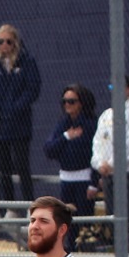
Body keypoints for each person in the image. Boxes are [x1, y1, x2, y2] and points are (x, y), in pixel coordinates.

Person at [0, 25, 41, 205]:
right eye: (1, 41)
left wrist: (16, 106)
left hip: (19, 122)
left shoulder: (26, 61)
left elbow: (33, 88)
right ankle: (9, 204)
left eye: (9, 41)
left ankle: (30, 203)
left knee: (22, 165)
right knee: (4, 167)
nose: (4, 45)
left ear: (15, 42)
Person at [91, 76, 129, 210]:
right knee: (112, 213)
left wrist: (112, 163)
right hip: (108, 174)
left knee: (127, 212)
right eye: (112, 87)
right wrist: (100, 164)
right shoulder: (107, 114)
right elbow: (98, 142)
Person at [42, 83, 97, 219]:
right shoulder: (63, 124)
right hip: (66, 179)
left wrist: (94, 183)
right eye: (65, 101)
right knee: (67, 220)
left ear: (81, 103)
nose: (67, 104)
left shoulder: (91, 125)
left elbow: (97, 154)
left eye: (71, 101)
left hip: (84, 179)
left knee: (84, 220)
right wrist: (66, 137)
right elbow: (49, 150)